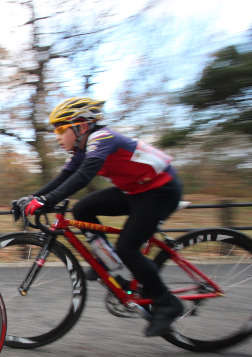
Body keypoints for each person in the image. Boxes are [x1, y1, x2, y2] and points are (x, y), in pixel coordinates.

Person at [12, 97, 184, 337]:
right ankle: (107, 260)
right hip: (135, 191)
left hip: (161, 191)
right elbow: (63, 178)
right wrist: (31, 198)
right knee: (82, 209)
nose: (57, 137)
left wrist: (45, 201)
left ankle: (167, 303)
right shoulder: (81, 149)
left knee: (128, 247)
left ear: (81, 127)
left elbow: (83, 177)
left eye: (61, 129)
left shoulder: (102, 138)